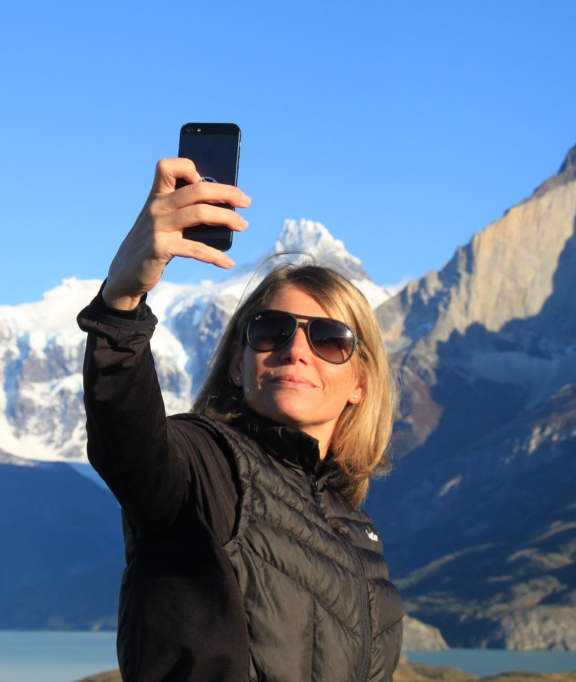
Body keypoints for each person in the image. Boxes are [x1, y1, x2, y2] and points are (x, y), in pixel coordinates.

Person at [77, 158, 403, 682]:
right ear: (237, 360)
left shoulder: (357, 532)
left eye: (329, 339)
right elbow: (129, 443)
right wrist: (121, 304)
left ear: (361, 382)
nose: (297, 349)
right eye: (271, 329)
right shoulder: (205, 466)